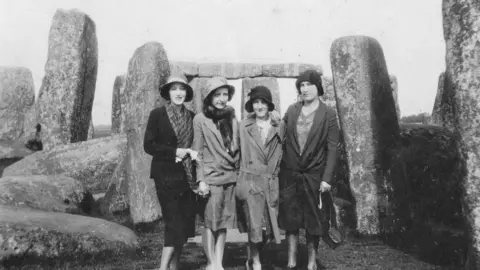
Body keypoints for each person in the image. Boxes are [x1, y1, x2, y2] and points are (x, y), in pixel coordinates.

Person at [279, 69, 339, 270]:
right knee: (291, 220)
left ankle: (312, 263)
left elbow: (332, 148)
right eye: (301, 86)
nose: (304, 89)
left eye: (308, 84)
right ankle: (291, 262)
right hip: (291, 174)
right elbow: (280, 134)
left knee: (314, 221)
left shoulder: (328, 114)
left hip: (315, 176)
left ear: (318, 87)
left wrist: (327, 179)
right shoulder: (292, 110)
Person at [143, 73, 197, 270]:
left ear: (187, 93)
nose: (178, 93)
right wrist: (175, 151)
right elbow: (148, 145)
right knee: (173, 223)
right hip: (165, 176)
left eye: (182, 89)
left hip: (186, 177)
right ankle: (163, 267)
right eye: (174, 89)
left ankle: (174, 266)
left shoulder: (192, 117)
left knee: (183, 224)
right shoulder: (157, 114)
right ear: (168, 92)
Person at [192, 76, 240, 270]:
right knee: (210, 222)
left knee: (223, 223)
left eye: (225, 94)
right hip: (211, 177)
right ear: (209, 97)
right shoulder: (200, 119)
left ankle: (218, 262)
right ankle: (211, 262)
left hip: (230, 176)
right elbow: (197, 152)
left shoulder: (232, 117)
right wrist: (200, 180)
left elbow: (238, 145)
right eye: (217, 94)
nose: (221, 98)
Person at [236, 86, 284, 270]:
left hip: (271, 181)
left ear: (269, 105)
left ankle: (255, 256)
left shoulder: (280, 125)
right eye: (256, 102)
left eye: (263, 102)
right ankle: (255, 261)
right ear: (251, 105)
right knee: (254, 224)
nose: (259, 106)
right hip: (250, 180)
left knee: (270, 226)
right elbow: (235, 151)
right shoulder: (243, 126)